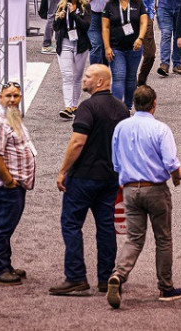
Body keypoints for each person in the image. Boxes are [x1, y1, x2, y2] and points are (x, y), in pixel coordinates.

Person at [50, 65, 129, 296]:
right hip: (110, 177)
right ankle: (106, 278)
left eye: (88, 76)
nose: (84, 79)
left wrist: (63, 170)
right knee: (106, 228)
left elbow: (77, 142)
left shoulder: (87, 107)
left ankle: (76, 276)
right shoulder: (122, 108)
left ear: (100, 82)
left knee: (71, 224)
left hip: (84, 177)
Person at [107, 86, 181, 308]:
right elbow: (170, 162)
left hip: (130, 189)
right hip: (155, 189)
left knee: (134, 238)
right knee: (163, 238)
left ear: (134, 102)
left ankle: (119, 274)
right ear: (154, 103)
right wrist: (177, 176)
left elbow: (116, 163)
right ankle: (165, 286)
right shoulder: (161, 129)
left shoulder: (121, 127)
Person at [0, 82, 36, 285]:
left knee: (6, 226)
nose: (12, 100)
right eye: (8, 96)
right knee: (2, 227)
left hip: (13, 185)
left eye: (16, 95)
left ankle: (5, 264)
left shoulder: (11, 117)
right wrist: (9, 181)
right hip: (5, 186)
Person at [103, 0, 148, 109]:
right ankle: (117, 108)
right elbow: (105, 27)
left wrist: (140, 38)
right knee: (118, 77)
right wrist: (107, 47)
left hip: (134, 48)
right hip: (116, 48)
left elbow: (143, 22)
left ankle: (127, 107)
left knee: (131, 78)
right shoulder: (110, 5)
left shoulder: (138, 3)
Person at [53, 0, 92, 120]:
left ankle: (75, 105)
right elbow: (55, 27)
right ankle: (68, 107)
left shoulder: (85, 6)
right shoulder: (61, 6)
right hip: (65, 43)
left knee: (77, 77)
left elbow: (86, 26)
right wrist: (60, 18)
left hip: (81, 45)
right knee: (67, 76)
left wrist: (74, 14)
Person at [120, 0, 157, 87]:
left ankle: (141, 80)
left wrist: (151, 16)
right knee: (129, 53)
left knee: (150, 54)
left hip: (145, 18)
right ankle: (132, 81)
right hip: (127, 20)